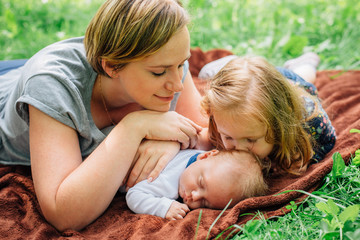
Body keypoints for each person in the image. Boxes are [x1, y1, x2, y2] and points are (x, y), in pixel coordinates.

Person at [0, 0, 209, 231]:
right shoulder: (52, 85)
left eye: (182, 63)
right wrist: (133, 126)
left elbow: (215, 135)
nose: (176, 84)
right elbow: (64, 214)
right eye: (158, 72)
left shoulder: (168, 65)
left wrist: (172, 142)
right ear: (112, 66)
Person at [200, 55, 336, 175]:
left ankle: (304, 63)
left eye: (251, 140)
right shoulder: (226, 119)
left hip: (289, 83)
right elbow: (206, 137)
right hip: (254, 86)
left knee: (305, 75)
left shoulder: (311, 120)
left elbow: (328, 140)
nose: (240, 149)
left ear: (278, 126)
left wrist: (306, 158)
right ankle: (228, 64)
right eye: (228, 137)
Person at [126, 147, 267, 220]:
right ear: (207, 155)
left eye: (205, 203)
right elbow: (134, 194)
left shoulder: (206, 162)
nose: (194, 196)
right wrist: (164, 207)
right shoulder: (169, 183)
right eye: (200, 183)